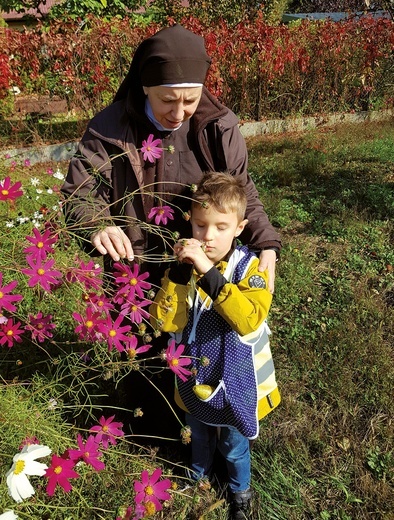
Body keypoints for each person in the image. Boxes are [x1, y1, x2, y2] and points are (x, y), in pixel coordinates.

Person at [61, 24, 281, 440]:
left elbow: (241, 189)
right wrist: (98, 224)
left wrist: (265, 241)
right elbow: (79, 191)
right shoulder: (110, 127)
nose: (179, 113)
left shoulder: (219, 125)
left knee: (198, 346)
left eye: (190, 100)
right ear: (146, 86)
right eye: (167, 100)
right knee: (141, 343)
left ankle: (202, 421)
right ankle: (150, 429)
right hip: (136, 264)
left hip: (201, 261)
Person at [150, 172, 281, 520]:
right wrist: (178, 277)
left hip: (236, 378)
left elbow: (248, 318)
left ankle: (240, 492)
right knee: (197, 433)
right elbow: (165, 322)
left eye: (221, 227)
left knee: (233, 444)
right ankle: (198, 478)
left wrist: (209, 272)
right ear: (189, 223)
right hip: (195, 373)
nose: (208, 237)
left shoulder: (250, 269)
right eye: (200, 225)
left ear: (239, 227)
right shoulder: (183, 269)